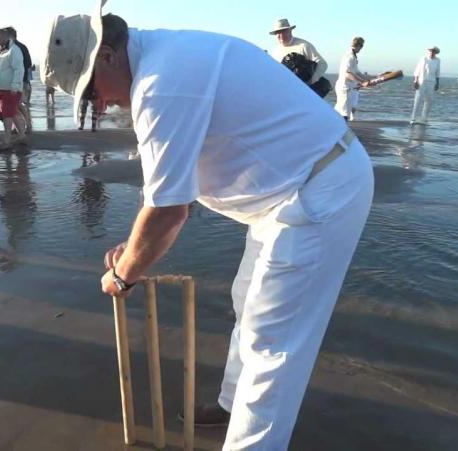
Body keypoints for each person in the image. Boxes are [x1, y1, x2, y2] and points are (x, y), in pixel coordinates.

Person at [45, 5, 374, 450]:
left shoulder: (162, 85)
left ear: (105, 54)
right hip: (284, 194)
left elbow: (169, 211)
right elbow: (164, 181)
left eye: (90, 92)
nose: (99, 105)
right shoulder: (159, 59)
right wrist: (133, 246)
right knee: (247, 302)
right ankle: (231, 406)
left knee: (271, 341)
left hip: (318, 189)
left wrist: (124, 275)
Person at [269, 18, 331, 97]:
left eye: (284, 31)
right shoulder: (275, 51)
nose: (281, 35)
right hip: (284, 92)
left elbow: (322, 64)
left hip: (303, 93)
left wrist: (312, 81)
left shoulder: (303, 46)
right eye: (278, 32)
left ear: (290, 30)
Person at [0, 28, 25, 150]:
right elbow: (3, 69)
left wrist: (15, 86)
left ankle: (7, 141)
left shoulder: (14, 50)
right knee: (13, 112)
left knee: (7, 115)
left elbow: (19, 69)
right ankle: (21, 135)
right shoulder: (4, 51)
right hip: (3, 88)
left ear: (7, 37)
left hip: (10, 89)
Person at [334, 37, 371, 121]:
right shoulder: (349, 56)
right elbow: (347, 73)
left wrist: (377, 76)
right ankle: (342, 132)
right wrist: (362, 82)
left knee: (339, 111)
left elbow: (358, 73)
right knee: (344, 114)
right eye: (361, 47)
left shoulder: (353, 56)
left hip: (349, 87)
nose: (361, 49)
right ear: (359, 45)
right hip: (345, 88)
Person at [4, 26, 32, 133]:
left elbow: (17, 66)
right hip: (23, 80)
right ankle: (22, 125)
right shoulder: (22, 47)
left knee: (18, 104)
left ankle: (23, 125)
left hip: (19, 81)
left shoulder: (14, 48)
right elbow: (28, 65)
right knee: (19, 104)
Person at [410, 46, 440, 125]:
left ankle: (424, 118)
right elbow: (418, 69)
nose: (431, 52)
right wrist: (415, 80)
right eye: (430, 51)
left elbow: (437, 72)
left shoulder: (438, 60)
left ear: (435, 52)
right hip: (422, 81)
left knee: (429, 100)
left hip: (432, 82)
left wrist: (437, 83)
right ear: (429, 51)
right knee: (418, 99)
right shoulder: (424, 58)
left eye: (433, 51)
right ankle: (413, 118)